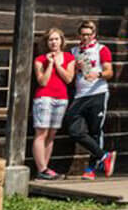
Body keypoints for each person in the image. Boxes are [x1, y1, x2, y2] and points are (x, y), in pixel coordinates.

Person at [67, 20, 115, 179]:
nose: (86, 37)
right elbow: (70, 75)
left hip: (98, 92)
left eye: (89, 34)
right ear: (79, 35)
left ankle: (91, 169)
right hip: (80, 94)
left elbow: (109, 72)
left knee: (95, 131)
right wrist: (76, 68)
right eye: (83, 34)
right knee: (73, 129)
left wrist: (98, 74)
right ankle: (104, 155)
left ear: (94, 35)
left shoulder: (101, 49)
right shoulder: (74, 50)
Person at [30, 27, 76, 181]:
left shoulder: (69, 58)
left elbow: (69, 79)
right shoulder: (40, 60)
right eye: (51, 39)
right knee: (41, 133)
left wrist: (57, 64)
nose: (54, 42)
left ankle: (45, 168)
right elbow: (42, 81)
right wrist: (49, 64)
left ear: (62, 41)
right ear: (47, 42)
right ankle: (42, 168)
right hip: (44, 98)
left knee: (52, 134)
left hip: (61, 98)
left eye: (56, 39)